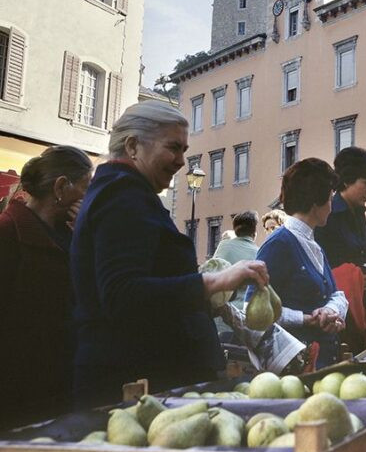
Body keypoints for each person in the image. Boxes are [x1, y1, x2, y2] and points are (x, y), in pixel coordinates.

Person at [70, 101, 268, 406]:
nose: (181, 161)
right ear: (133, 145)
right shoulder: (123, 195)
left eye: (184, 150)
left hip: (136, 376)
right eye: (173, 148)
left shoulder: (122, 191)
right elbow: (123, 293)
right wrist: (216, 282)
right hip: (133, 381)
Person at [0, 146, 93, 428]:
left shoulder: (71, 233)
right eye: (85, 187)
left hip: (60, 376)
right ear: (61, 187)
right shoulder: (7, 232)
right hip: (17, 382)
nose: (89, 197)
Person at [249, 158, 349, 368]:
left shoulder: (314, 244)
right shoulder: (279, 244)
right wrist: (304, 319)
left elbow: (336, 294)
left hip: (321, 363)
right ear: (316, 201)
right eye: (330, 199)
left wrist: (329, 312)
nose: (331, 207)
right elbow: (252, 311)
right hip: (293, 368)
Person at [314, 147, 366, 349]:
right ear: (346, 180)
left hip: (363, 302)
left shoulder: (359, 212)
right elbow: (321, 266)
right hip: (336, 311)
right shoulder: (327, 215)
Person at [212, 211, 260, 310]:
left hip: (222, 310)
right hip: (245, 312)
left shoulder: (223, 246)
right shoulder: (259, 253)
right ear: (254, 232)